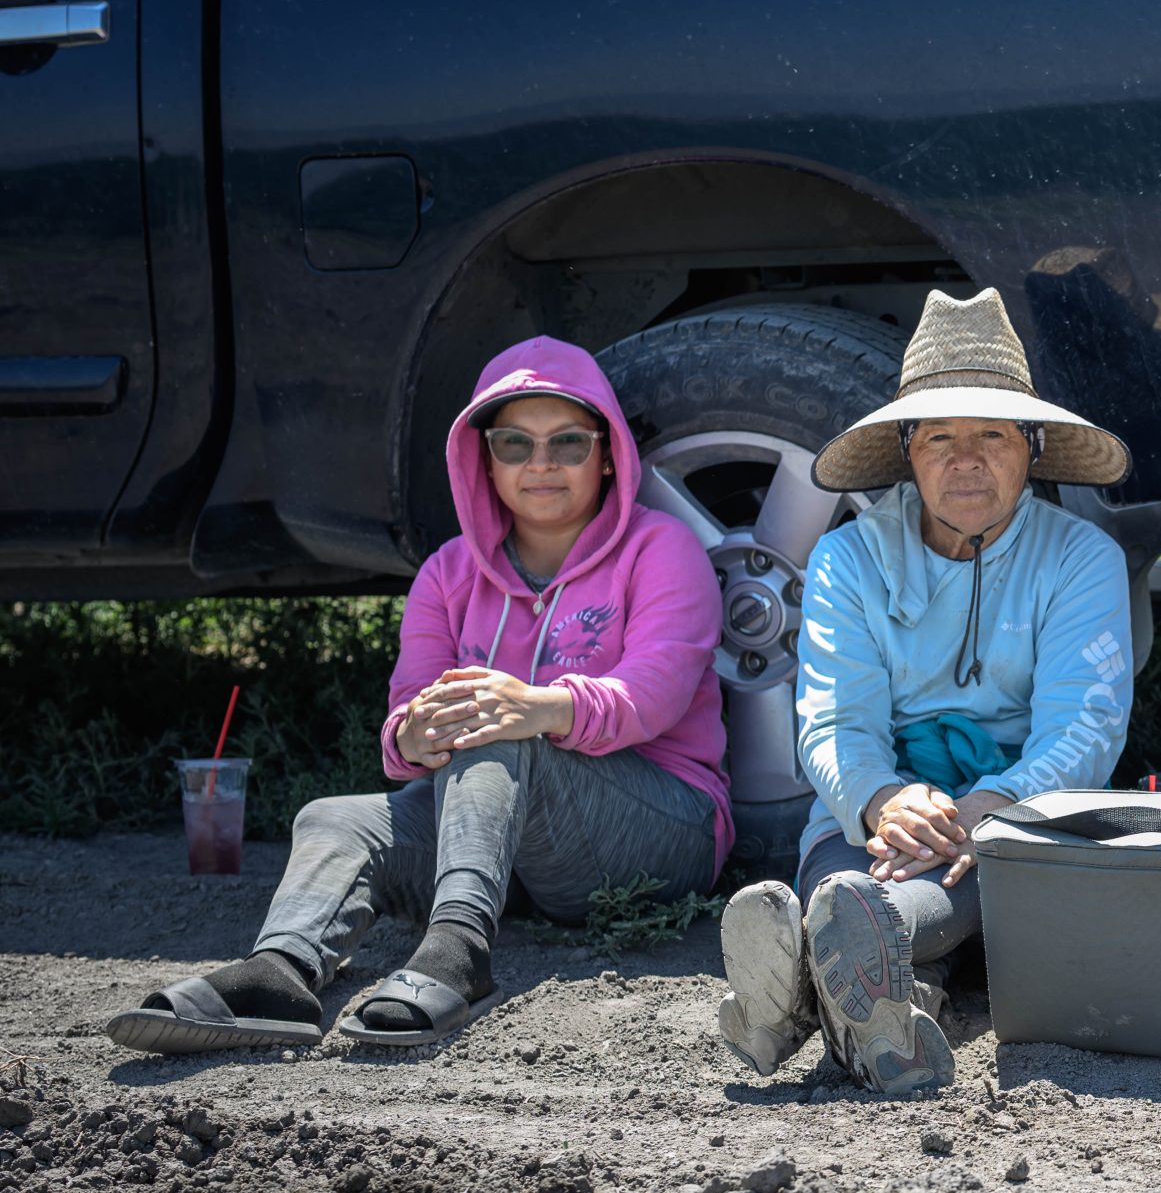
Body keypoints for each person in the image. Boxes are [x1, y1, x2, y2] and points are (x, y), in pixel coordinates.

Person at [107, 337, 729, 1052]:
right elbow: (404, 723)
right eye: (514, 444)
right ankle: (280, 971)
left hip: (661, 825)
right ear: (483, 459)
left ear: (609, 451)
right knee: (334, 819)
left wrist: (536, 706)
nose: (542, 464)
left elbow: (655, 693)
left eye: (568, 442)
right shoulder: (446, 574)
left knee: (499, 724)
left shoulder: (663, 548)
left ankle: (457, 951)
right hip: (507, 840)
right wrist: (412, 736)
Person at [716, 288, 1134, 1091]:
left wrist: (987, 807)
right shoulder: (849, 560)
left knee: (949, 872)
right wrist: (884, 799)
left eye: (992, 435)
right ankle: (879, 992)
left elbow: (1086, 727)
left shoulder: (1081, 558)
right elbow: (835, 722)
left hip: (1019, 822)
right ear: (907, 449)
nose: (965, 459)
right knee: (847, 861)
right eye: (939, 436)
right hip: (878, 827)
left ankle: (801, 986)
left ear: (1032, 445)